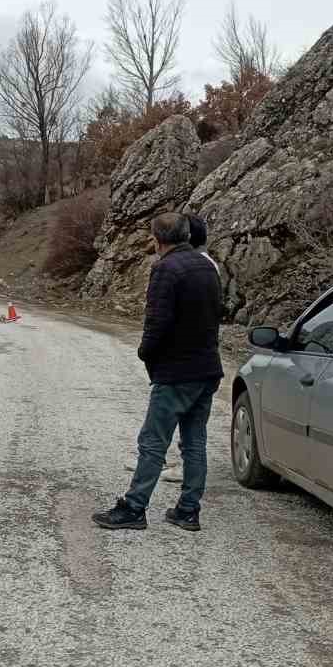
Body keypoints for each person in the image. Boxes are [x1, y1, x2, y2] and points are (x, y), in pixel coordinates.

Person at [94, 211, 224, 533]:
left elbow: (157, 321)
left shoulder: (166, 269)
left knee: (153, 442)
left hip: (176, 371)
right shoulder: (207, 266)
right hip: (207, 368)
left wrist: (145, 351)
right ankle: (188, 510)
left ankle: (134, 507)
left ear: (157, 239)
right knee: (194, 443)